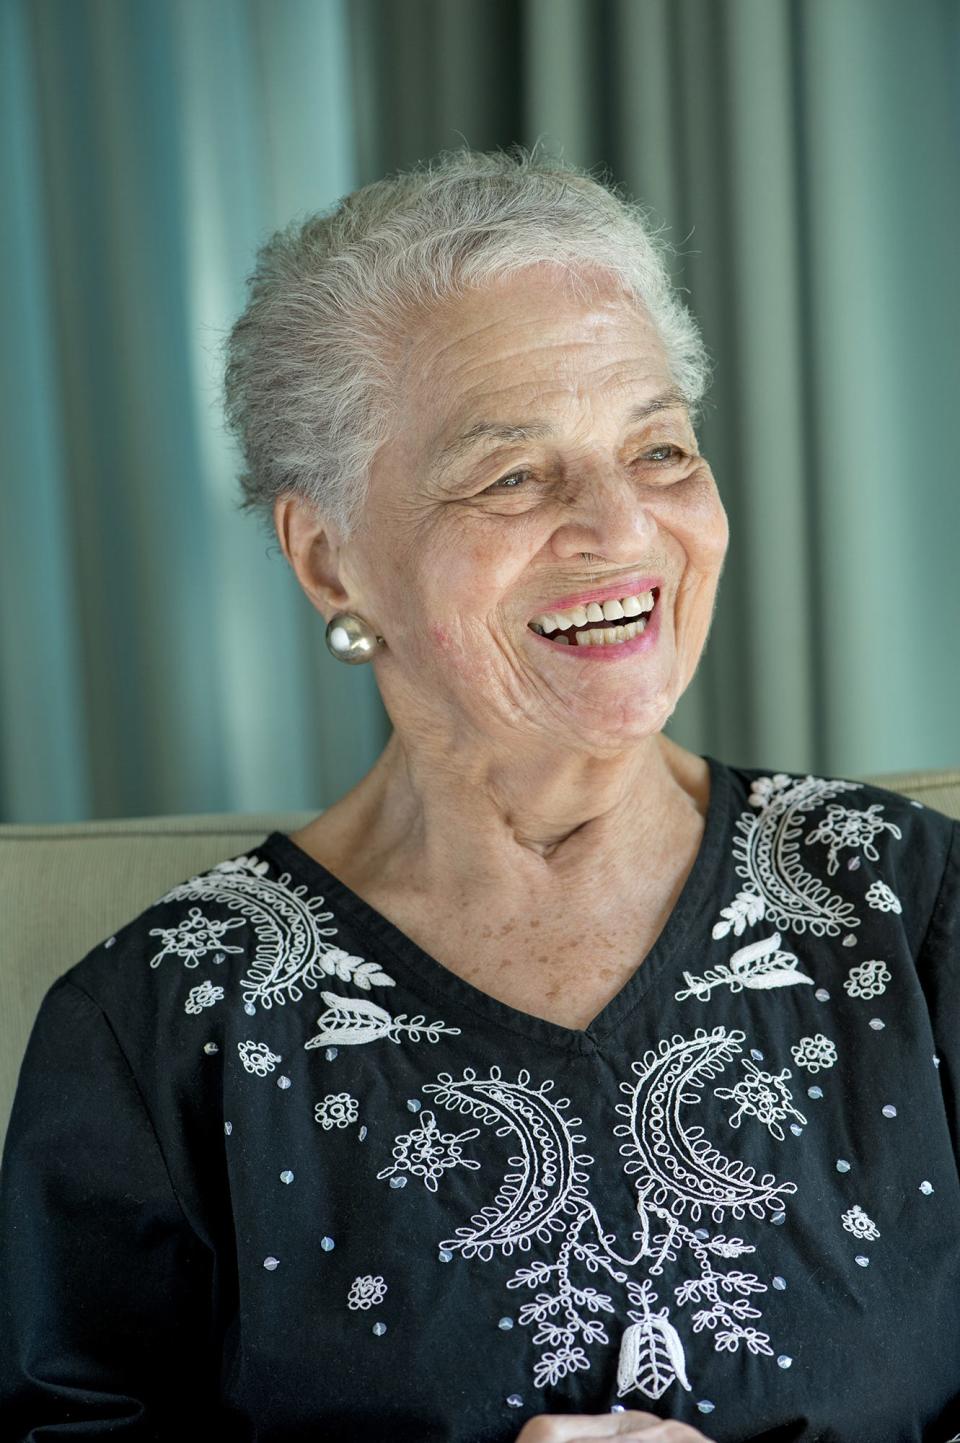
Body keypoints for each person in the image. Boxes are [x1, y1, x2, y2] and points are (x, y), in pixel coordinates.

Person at [1, 145, 958, 1443]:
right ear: (330, 558)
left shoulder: (913, 912)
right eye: (514, 475)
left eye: (661, 449)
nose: (622, 531)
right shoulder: (162, 1032)